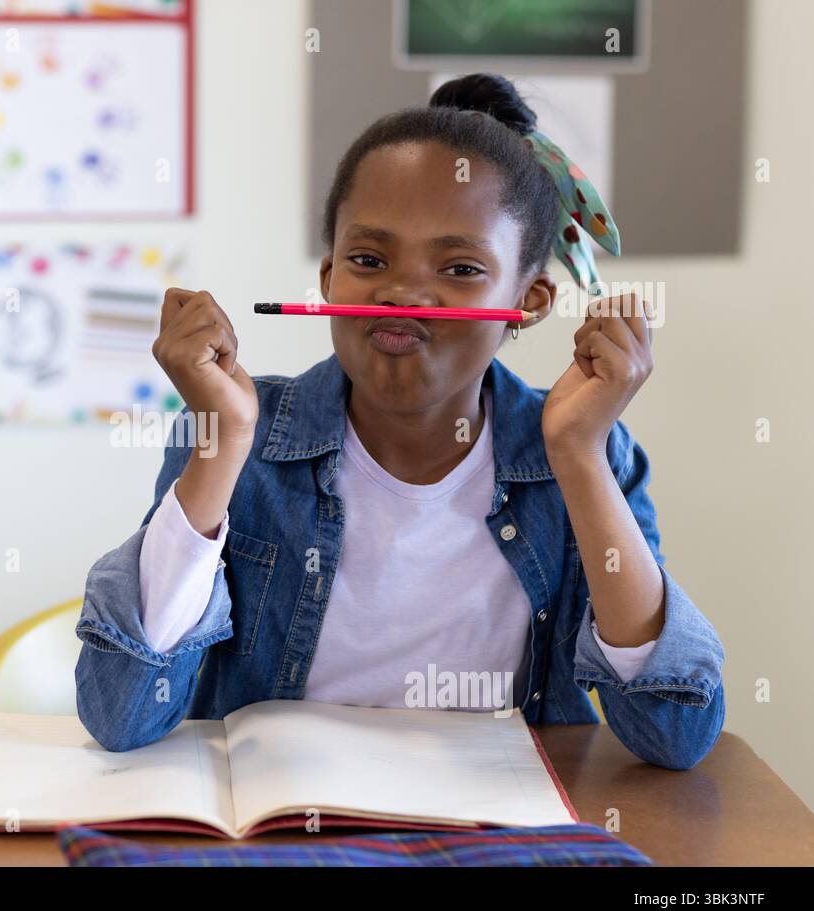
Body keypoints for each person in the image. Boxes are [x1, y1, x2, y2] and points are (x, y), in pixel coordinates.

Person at [73, 73, 724, 770]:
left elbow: (672, 734)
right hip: (287, 829)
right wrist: (223, 445)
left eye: (461, 266)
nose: (404, 290)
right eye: (369, 259)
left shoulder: (589, 451)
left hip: (496, 828)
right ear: (327, 280)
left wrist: (580, 457)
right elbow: (121, 714)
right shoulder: (234, 433)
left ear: (529, 299)